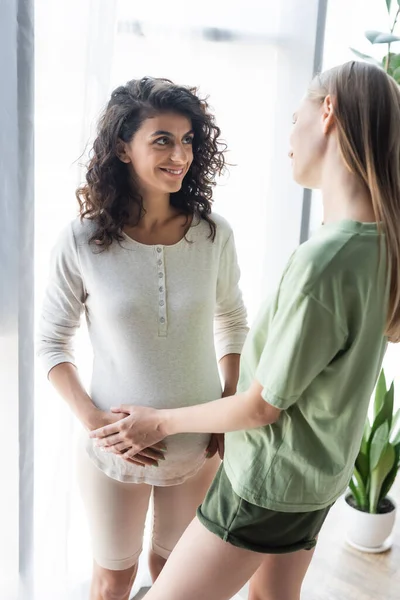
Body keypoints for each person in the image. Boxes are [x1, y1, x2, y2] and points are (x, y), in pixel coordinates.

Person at [90, 61, 400, 600]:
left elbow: (262, 407)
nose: (290, 137)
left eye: (296, 116)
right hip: (318, 481)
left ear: (327, 113)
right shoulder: (379, 245)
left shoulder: (326, 260)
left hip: (267, 484)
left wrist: (157, 421)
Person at [37, 77, 248, 600]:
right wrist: (94, 422)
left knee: (175, 578)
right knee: (113, 581)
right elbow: (51, 342)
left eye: (189, 140)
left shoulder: (213, 233)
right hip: (116, 453)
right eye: (162, 140)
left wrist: (226, 403)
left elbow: (234, 320)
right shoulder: (83, 239)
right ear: (121, 148)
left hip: (197, 447)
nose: (181, 154)